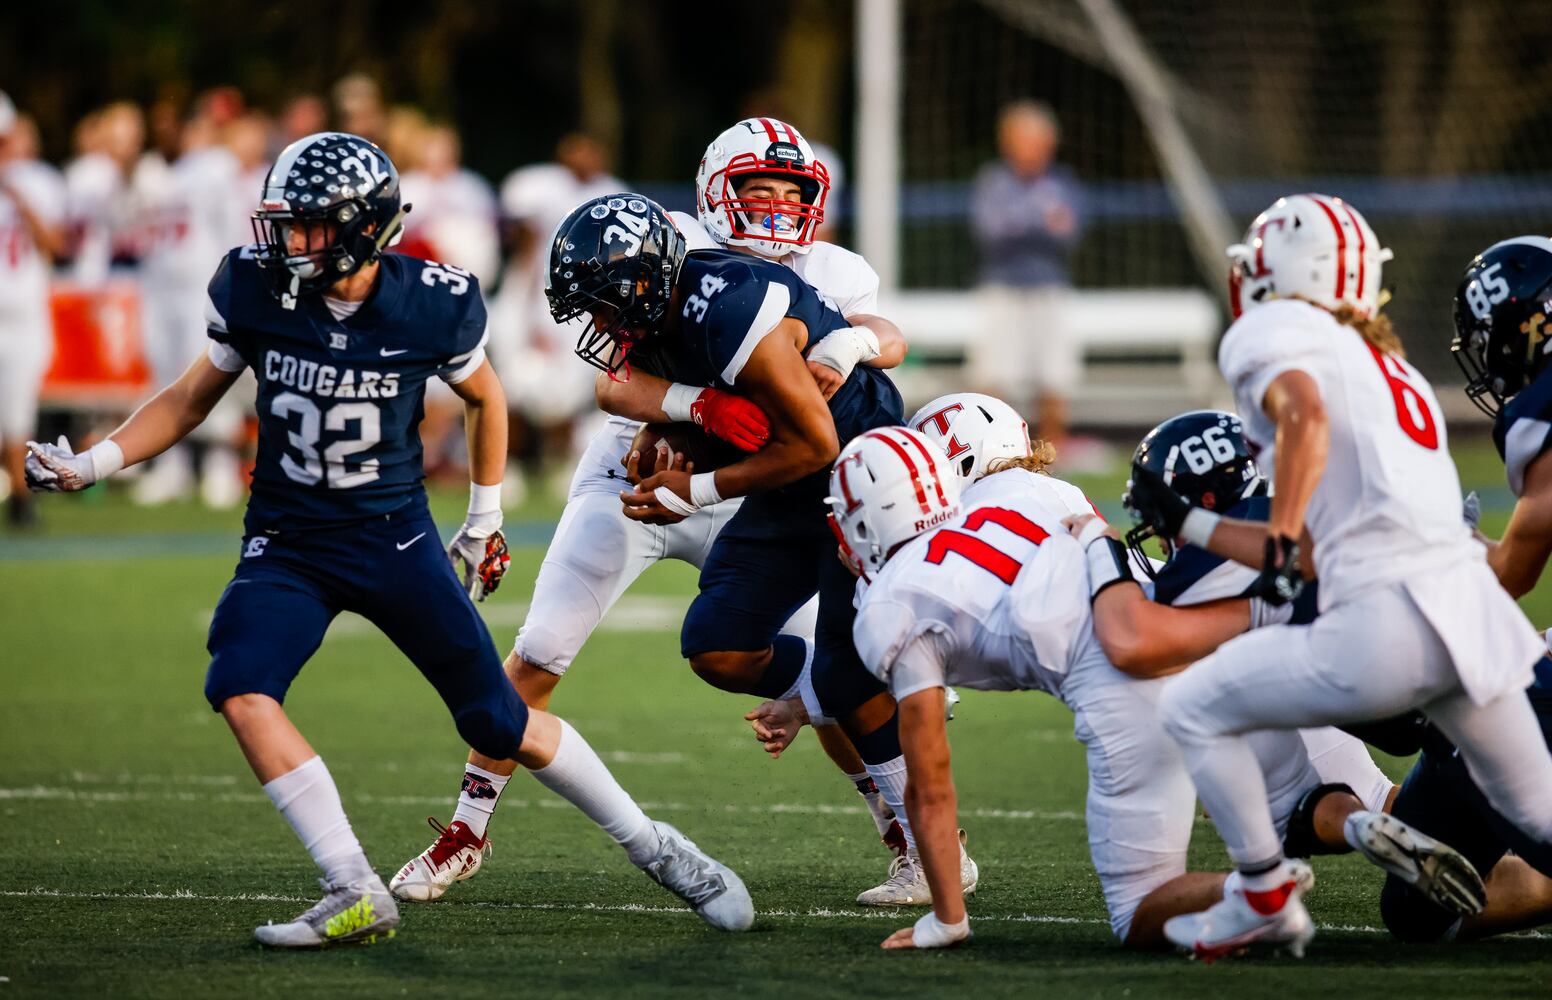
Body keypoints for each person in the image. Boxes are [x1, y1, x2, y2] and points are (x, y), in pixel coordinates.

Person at [25, 132, 753, 946]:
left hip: (393, 540)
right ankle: (352, 885)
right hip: (289, 542)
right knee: (240, 682)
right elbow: (192, 397)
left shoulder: (432, 301)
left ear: (363, 228)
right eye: (286, 224)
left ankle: (659, 850)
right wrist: (96, 461)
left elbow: (485, 398)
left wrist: (484, 518)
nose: (289, 242)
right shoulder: (253, 286)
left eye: (308, 226)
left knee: (498, 719)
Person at [1123, 194, 1552, 960]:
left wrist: (1281, 532)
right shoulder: (1394, 372)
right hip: (1477, 626)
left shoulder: (1277, 332)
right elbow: (1322, 546)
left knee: (1192, 704)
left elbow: (1305, 420)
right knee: (1542, 816)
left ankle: (1263, 898)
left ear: (1288, 274)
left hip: (1386, 628)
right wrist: (1195, 525)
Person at [490, 133, 623, 487]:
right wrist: (533, 315)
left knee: (579, 388)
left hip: (589, 303)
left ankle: (566, 460)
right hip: (537, 298)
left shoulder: (615, 190)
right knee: (515, 386)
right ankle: (507, 463)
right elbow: (527, 253)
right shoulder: (538, 186)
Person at [968, 100, 1084, 450]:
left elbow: (1069, 232)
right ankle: (997, 445)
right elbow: (991, 232)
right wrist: (1040, 223)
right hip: (1002, 288)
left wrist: (1022, 224)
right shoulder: (993, 181)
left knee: (1055, 370)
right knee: (994, 371)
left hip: (1049, 287)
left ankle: (1053, 447)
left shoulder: (1062, 182)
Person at [0, 92, 66, 528]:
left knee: (18, 410)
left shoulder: (37, 180)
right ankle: (19, 496)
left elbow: (55, 244)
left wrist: (18, 198)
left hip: (23, 312)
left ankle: (21, 495)